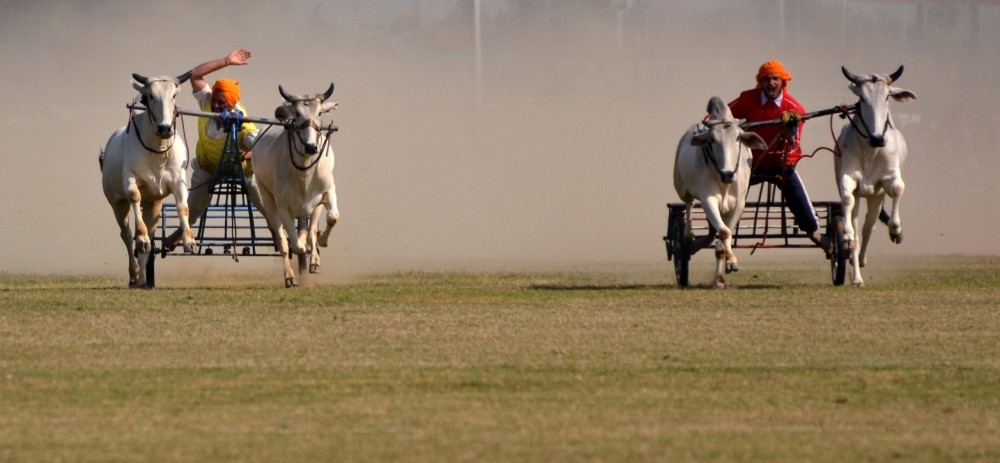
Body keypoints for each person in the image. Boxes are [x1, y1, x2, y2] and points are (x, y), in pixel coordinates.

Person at [165, 48, 265, 250]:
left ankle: (277, 233)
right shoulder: (207, 102)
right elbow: (195, 75)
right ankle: (179, 234)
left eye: (222, 103)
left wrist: (247, 154)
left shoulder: (244, 124)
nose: (216, 106)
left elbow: (265, 149)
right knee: (192, 208)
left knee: (265, 205)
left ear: (232, 103)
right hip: (207, 168)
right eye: (215, 101)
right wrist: (226, 61)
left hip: (241, 172)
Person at [728, 60, 832, 255]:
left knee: (797, 195)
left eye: (775, 79)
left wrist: (786, 160)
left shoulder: (795, 109)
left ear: (783, 81)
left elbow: (796, 146)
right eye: (766, 79)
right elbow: (724, 114)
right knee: (729, 189)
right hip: (750, 164)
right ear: (760, 82)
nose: (770, 83)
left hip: (780, 165)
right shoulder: (747, 99)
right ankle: (720, 228)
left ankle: (815, 234)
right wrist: (710, 121)